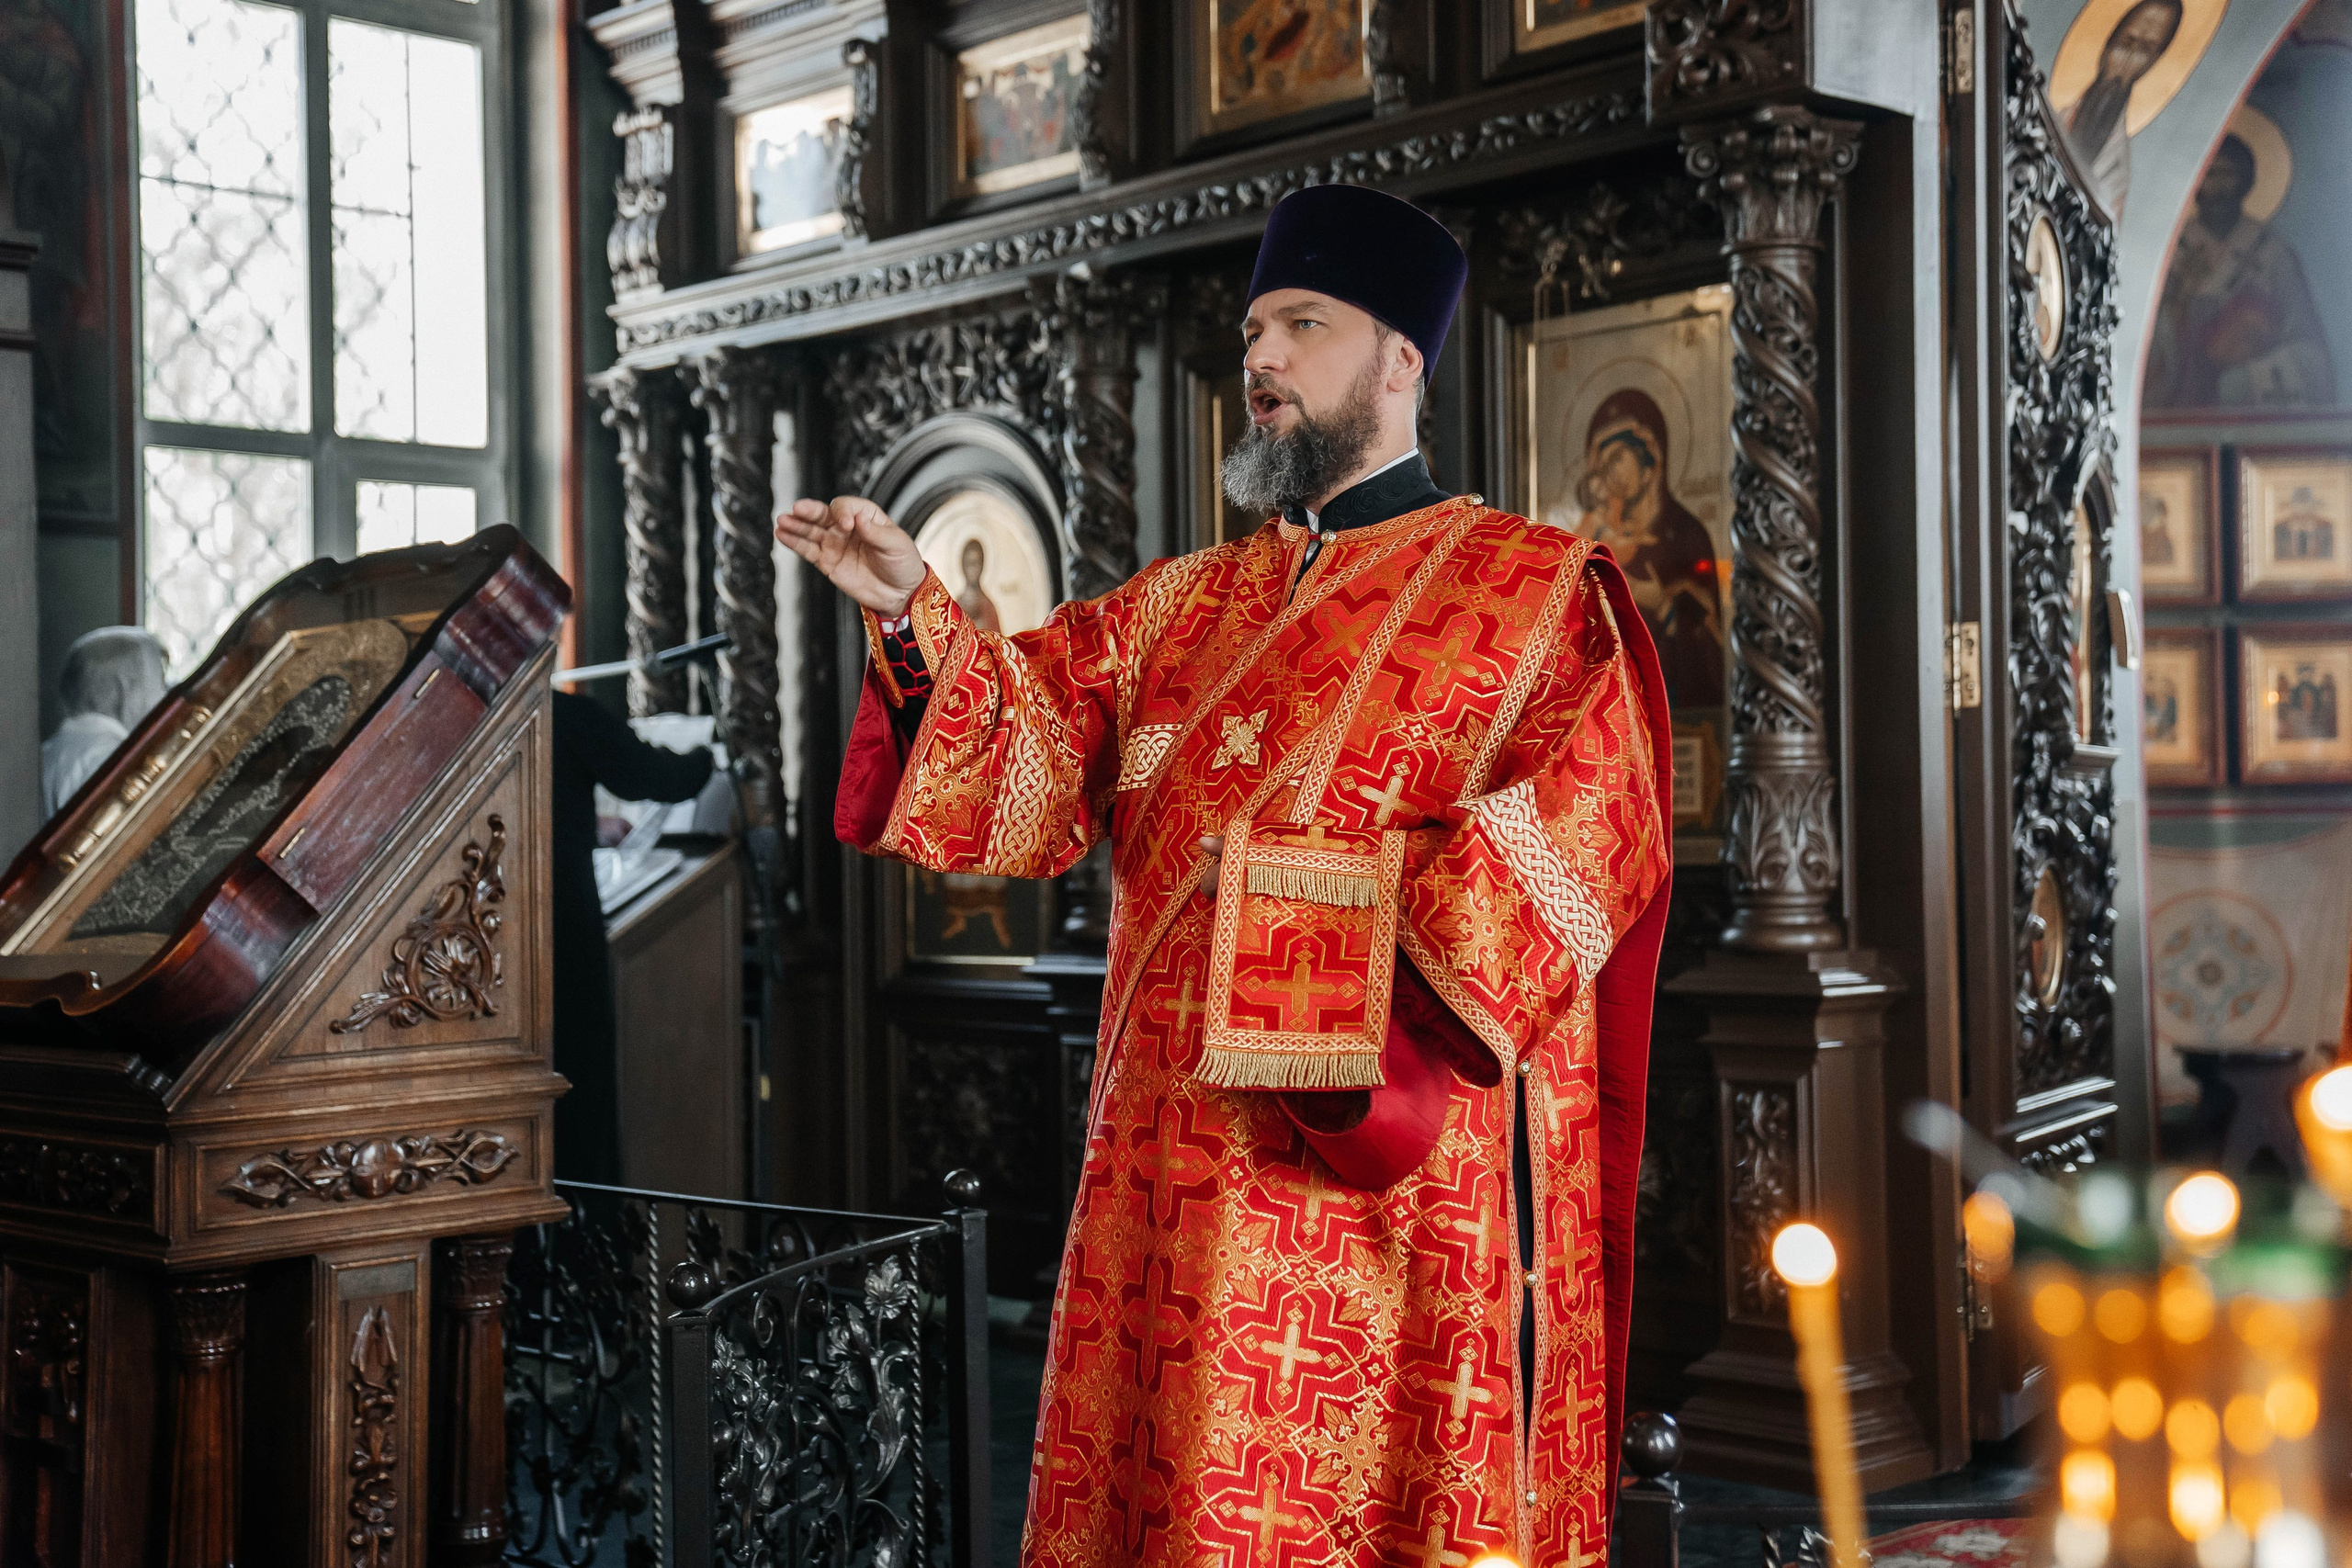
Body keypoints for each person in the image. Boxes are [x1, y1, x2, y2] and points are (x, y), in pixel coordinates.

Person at [780, 183, 1672, 1566]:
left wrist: (1336, 1002)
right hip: (1163, 1195)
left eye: (1299, 325)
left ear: (1400, 359)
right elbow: (1019, 762)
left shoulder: (1540, 593)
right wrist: (913, 610)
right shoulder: (1178, 605)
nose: (1258, 359)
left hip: (1377, 1202)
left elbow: (1589, 832)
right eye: (1253, 328)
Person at [548, 691, 714, 1185]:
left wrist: (587, 822)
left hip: (490, 934)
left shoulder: (471, 708)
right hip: (563, 929)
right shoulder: (564, 713)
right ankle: (587, 1240)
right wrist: (712, 755)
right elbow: (655, 777)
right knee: (579, 1084)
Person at [2144, 133, 2336, 409]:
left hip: (2245, 400)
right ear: (2196, 183)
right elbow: (2145, 337)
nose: (2219, 188)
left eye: (2228, 175)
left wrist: (2241, 377)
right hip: (2178, 396)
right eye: (2209, 175)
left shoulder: (2273, 253)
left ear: (2246, 182)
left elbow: (2307, 345)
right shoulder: (2172, 252)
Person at [1575, 388, 1724, 707]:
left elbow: (1709, 654)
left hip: (1681, 720)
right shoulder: (1598, 540)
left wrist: (1664, 607)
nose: (1607, 474)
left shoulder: (1687, 536)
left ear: (1650, 457)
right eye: (1600, 467)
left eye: (1616, 458)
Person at [2060, 0, 2182, 220]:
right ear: (2108, 42)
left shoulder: (2117, 174)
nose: (2129, 57)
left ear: (2153, 63)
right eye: (2127, 41)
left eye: (2146, 49)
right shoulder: (2052, 111)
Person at [42, 626, 167, 818]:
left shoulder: (50, 750)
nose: (163, 694)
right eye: (159, 682)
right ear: (124, 687)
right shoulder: (110, 757)